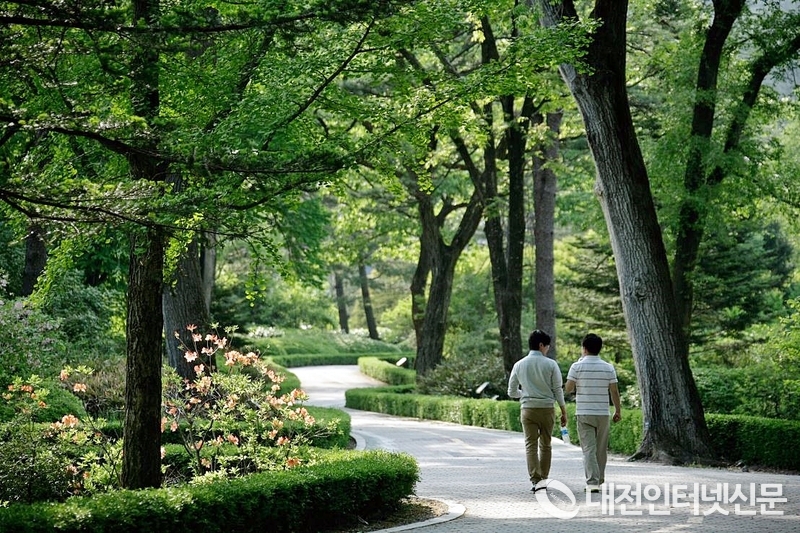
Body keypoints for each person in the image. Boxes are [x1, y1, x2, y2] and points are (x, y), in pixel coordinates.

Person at [507, 329, 568, 492]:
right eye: (547, 346)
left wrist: (525, 393)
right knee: (546, 445)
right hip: (547, 409)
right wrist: (563, 410)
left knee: (530, 445)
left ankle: (535, 480)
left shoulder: (519, 364)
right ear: (541, 345)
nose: (547, 349)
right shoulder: (551, 364)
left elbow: (511, 392)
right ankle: (544, 479)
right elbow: (557, 389)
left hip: (527, 409)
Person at [565, 333, 622, 493]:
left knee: (588, 448)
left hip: (584, 412)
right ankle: (600, 479)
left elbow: (568, 388)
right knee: (601, 448)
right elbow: (614, 392)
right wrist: (618, 410)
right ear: (599, 348)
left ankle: (592, 482)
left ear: (584, 348)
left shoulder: (577, 366)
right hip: (603, 413)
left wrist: (576, 385)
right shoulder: (608, 367)